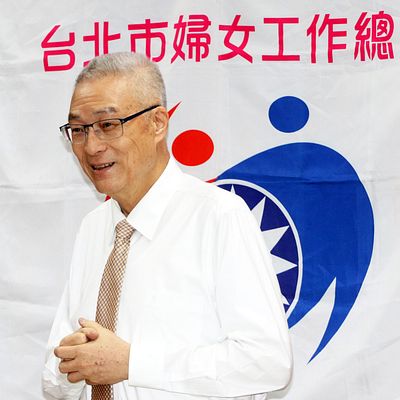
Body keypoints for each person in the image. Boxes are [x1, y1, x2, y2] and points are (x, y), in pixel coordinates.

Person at [42, 52, 292, 400]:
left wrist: (133, 363)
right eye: (79, 130)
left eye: (108, 125)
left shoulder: (219, 216)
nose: (92, 146)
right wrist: (70, 364)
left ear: (158, 123)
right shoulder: (93, 227)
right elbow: (54, 377)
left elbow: (267, 363)